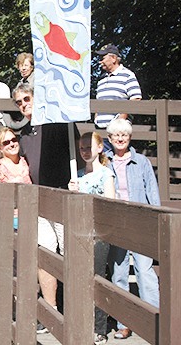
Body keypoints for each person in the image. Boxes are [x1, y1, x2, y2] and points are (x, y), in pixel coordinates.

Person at [9, 82, 80, 331]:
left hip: (62, 196)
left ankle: (76, 310)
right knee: (45, 256)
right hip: (38, 201)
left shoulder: (59, 125)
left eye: (26, 99)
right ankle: (50, 310)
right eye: (19, 102)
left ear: (36, 98)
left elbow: (78, 153)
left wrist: (76, 179)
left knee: (71, 254)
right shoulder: (24, 134)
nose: (23, 105)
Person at [105, 118, 160, 340]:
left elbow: (152, 193)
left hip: (139, 223)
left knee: (145, 272)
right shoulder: (105, 161)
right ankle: (123, 323)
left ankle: (154, 320)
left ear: (130, 137)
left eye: (124, 134)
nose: (120, 138)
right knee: (118, 274)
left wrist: (155, 220)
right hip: (116, 224)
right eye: (116, 135)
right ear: (109, 138)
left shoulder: (142, 162)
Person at [67, 132, 115, 345]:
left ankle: (99, 328)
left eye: (89, 147)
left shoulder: (106, 174)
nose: (85, 151)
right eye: (82, 148)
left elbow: (110, 203)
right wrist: (72, 193)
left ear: (99, 148)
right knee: (78, 280)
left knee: (97, 280)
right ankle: (81, 324)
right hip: (79, 234)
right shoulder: (76, 175)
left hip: (98, 234)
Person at [0, 127, 32, 228]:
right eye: (6, 142)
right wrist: (0, 229)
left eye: (14, 140)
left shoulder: (26, 161)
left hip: (29, 219)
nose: (11, 144)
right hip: (5, 220)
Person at [94, 44, 142, 130]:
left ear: (113, 58)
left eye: (102, 58)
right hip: (100, 129)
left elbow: (136, 98)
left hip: (118, 131)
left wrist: (120, 119)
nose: (100, 62)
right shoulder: (101, 79)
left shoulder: (127, 75)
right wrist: (96, 119)